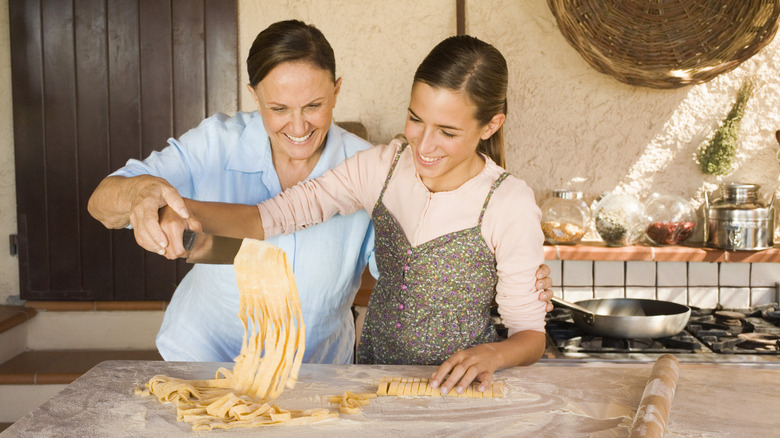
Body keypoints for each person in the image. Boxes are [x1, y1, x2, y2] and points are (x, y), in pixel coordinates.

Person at [88, 20, 555, 365]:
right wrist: (160, 200)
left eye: (313, 105)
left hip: (320, 374)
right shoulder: (373, 166)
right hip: (206, 358)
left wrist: (505, 279)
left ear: (336, 92)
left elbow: (407, 272)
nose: (297, 125)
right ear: (254, 97)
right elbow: (264, 217)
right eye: (278, 108)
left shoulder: (379, 168)